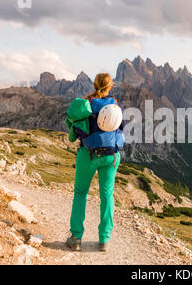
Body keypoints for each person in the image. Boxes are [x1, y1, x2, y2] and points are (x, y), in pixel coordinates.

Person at [65, 73, 125, 252]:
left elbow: (72, 124)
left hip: (88, 154)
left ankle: (76, 237)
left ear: (94, 85)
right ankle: (104, 239)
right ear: (110, 86)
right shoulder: (115, 105)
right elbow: (121, 127)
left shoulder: (87, 105)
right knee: (107, 195)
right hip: (111, 156)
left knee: (80, 193)